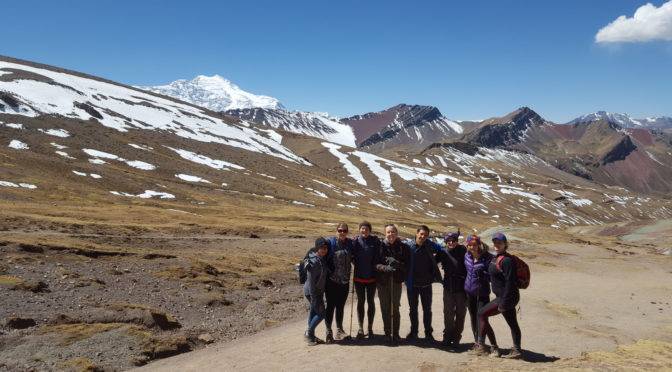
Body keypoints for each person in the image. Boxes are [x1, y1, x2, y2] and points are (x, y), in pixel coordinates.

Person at [475, 233, 522, 359]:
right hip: (505, 297)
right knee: (512, 323)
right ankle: (516, 350)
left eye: (499, 243)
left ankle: (484, 346)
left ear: (505, 244)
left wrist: (503, 303)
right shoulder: (497, 258)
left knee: (481, 313)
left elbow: (510, 283)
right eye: (495, 242)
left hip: (505, 297)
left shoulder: (506, 260)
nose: (496, 245)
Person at [405, 225, 443, 342]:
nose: (423, 237)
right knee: (413, 310)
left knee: (427, 310)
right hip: (412, 284)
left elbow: (441, 250)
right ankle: (414, 332)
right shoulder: (409, 246)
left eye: (425, 235)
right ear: (416, 233)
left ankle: (428, 333)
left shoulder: (430, 245)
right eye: (421, 234)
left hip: (426, 284)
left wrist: (435, 262)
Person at [375, 224, 410, 344]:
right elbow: (375, 264)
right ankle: (387, 333)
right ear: (385, 233)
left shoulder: (403, 247)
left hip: (396, 281)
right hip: (383, 282)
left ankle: (395, 334)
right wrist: (385, 268)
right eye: (389, 232)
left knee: (395, 308)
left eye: (393, 232)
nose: (391, 234)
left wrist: (398, 264)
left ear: (397, 233)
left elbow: (407, 265)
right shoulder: (380, 246)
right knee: (385, 308)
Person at [463, 235, 498, 356]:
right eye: (470, 244)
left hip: (482, 293)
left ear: (479, 244)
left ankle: (491, 345)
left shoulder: (488, 258)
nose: (472, 247)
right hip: (469, 292)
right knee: (473, 317)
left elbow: (493, 274)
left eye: (474, 244)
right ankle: (478, 343)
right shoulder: (467, 256)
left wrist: (485, 274)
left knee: (483, 318)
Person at [437, 231, 467, 350]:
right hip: (448, 287)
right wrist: (438, 278)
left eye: (453, 240)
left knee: (460, 314)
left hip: (462, 288)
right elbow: (433, 263)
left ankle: (456, 338)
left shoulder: (464, 250)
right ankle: (447, 336)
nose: (451, 242)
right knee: (448, 314)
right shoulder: (443, 252)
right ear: (445, 242)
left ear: (456, 240)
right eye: (448, 240)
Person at [352, 221, 381, 339]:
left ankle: (370, 328)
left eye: (366, 229)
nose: (364, 231)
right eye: (362, 229)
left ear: (370, 230)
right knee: (360, 302)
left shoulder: (375, 241)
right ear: (359, 230)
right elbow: (351, 256)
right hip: (358, 278)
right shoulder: (355, 242)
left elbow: (380, 254)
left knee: (371, 302)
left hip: (372, 278)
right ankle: (360, 328)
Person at [324, 223, 353, 343]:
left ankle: (339, 330)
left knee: (340, 306)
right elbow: (319, 248)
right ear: (336, 231)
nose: (342, 232)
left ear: (347, 232)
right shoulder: (330, 242)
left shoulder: (350, 243)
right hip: (332, 281)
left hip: (345, 281)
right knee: (330, 306)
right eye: (340, 230)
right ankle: (328, 331)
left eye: (344, 230)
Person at [304, 237, 330, 346]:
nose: (324, 250)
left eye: (325, 248)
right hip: (312, 292)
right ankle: (308, 333)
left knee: (313, 312)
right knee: (321, 314)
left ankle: (311, 336)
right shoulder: (313, 262)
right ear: (317, 248)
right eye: (321, 248)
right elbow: (311, 282)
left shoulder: (320, 259)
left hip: (317, 292)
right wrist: (314, 297)